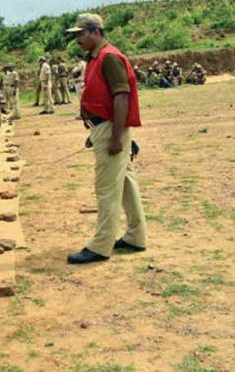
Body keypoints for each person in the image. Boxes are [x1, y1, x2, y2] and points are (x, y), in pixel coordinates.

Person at [66, 13, 147, 264]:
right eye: (76, 34)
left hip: (111, 129)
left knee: (106, 189)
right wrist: (96, 132)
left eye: (81, 33)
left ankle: (101, 246)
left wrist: (115, 136)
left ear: (95, 32)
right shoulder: (96, 57)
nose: (77, 38)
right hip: (105, 127)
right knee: (125, 184)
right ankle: (136, 236)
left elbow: (121, 97)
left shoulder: (108, 57)